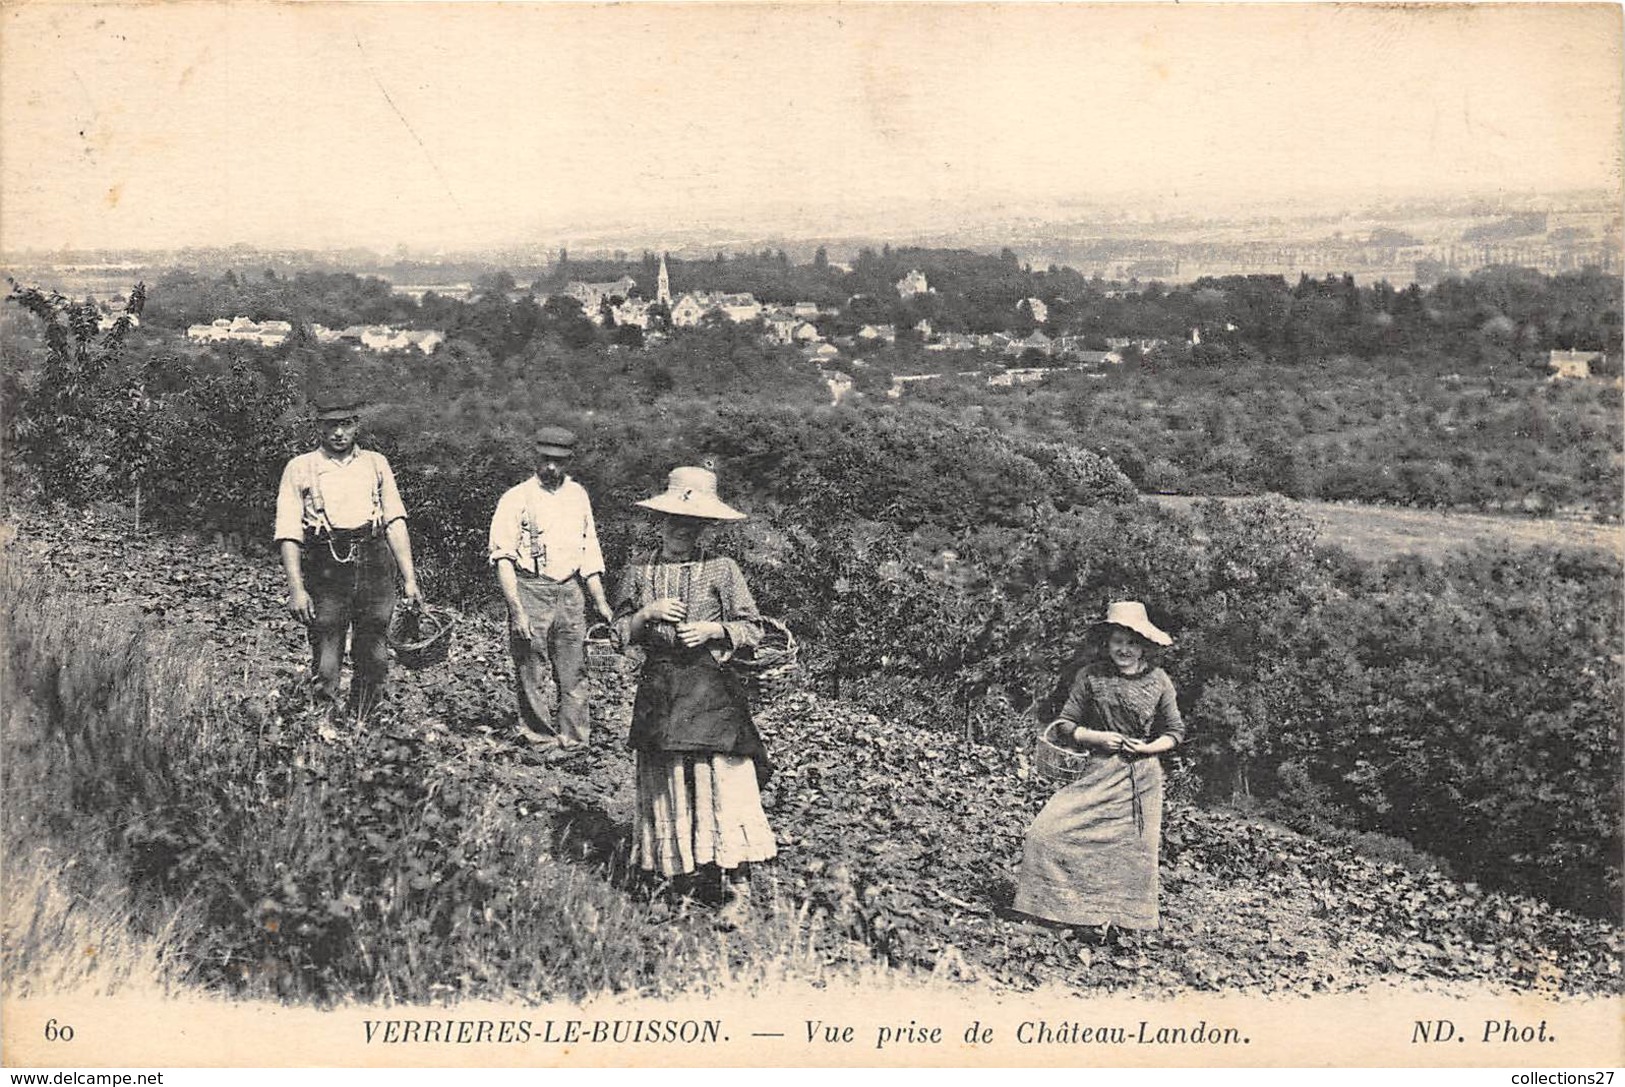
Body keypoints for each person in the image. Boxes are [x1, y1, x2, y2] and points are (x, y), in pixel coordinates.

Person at [611, 466, 776, 924]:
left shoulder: (723, 570)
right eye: (673, 521)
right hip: (660, 688)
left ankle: (734, 886)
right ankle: (673, 880)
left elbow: (753, 629)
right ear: (660, 523)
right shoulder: (639, 572)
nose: (681, 530)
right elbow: (617, 634)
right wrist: (647, 613)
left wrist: (713, 628)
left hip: (709, 687)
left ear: (705, 528)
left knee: (720, 777)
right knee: (667, 781)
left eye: (692, 524)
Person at [1014, 600, 1185, 938]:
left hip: (1142, 779)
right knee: (1046, 833)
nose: (1125, 649)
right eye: (1118, 641)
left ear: (1145, 646)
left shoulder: (1160, 681)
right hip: (1098, 770)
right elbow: (1065, 724)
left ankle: (1115, 921)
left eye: (1133, 642)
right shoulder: (1091, 676)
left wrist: (1149, 747)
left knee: (1128, 854)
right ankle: (1052, 910)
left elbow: (1175, 732)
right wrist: (1097, 737)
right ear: (1107, 643)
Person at [274, 395, 423, 718]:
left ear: (356, 426)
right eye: (331, 426)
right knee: (327, 648)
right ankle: (323, 723)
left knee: (375, 650)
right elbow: (288, 533)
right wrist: (296, 589)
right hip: (325, 562)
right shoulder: (300, 467)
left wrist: (409, 579)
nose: (339, 433)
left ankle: (365, 721)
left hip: (374, 558)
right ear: (318, 428)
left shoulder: (375, 463)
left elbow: (395, 521)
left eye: (346, 425)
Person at [488, 426, 613, 756]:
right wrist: (516, 609)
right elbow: (502, 557)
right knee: (531, 668)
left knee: (574, 669)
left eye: (559, 461)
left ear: (569, 461)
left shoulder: (578, 496)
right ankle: (539, 738)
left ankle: (574, 741)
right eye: (545, 460)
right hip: (531, 587)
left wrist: (600, 601)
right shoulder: (516, 498)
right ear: (536, 458)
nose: (551, 468)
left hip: (570, 591)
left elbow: (590, 550)